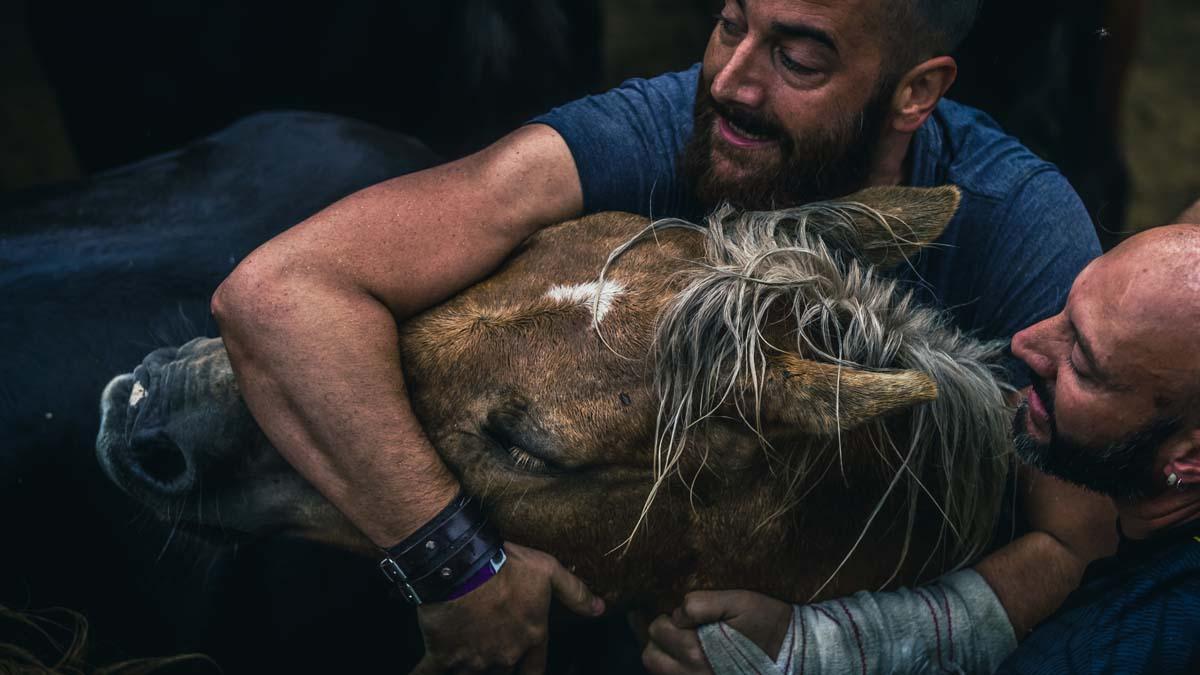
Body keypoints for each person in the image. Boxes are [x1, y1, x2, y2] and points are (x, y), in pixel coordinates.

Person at [211, 0, 1113, 671]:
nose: (729, 82)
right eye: (730, 23)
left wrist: (828, 647)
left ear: (916, 92)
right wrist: (456, 567)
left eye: (797, 57)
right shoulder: (672, 126)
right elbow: (278, 290)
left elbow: (1079, 542)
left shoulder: (1015, 227)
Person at [644, 222, 1200, 674]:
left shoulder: (1099, 654)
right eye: (1065, 311)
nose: (1023, 342)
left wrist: (811, 655)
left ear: (1189, 460)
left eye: (1082, 363)